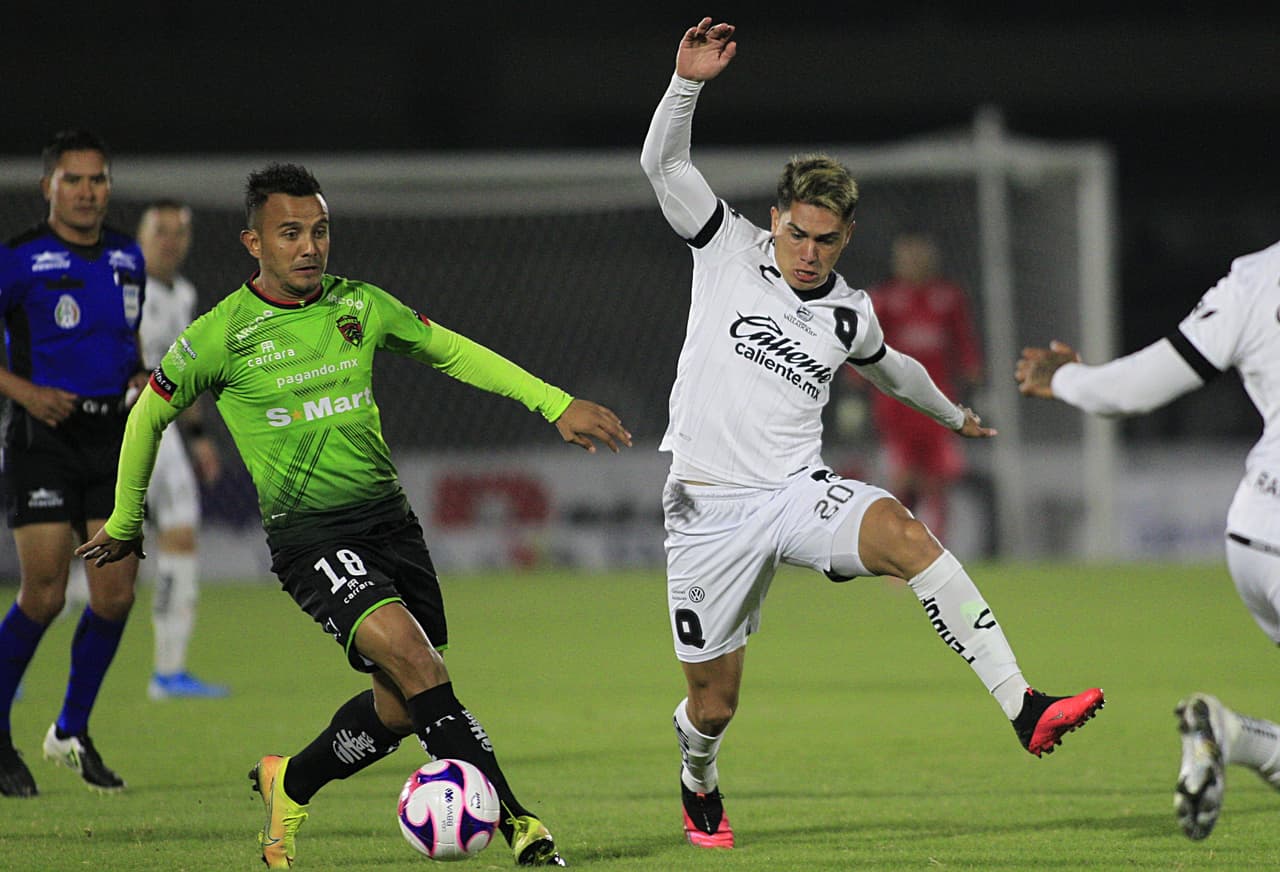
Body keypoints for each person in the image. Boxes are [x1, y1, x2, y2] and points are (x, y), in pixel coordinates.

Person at [77, 162, 631, 867]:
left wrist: (554, 403)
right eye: (290, 233)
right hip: (311, 537)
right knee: (419, 663)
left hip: (390, 526)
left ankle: (292, 780)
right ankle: (520, 823)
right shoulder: (223, 334)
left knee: (401, 706)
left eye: (319, 231)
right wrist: (127, 520)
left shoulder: (359, 306)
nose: (309, 246)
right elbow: (148, 411)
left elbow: (451, 351)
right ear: (254, 243)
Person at [639, 18, 1105, 849]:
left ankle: (1024, 707)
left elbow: (890, 367)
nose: (808, 253)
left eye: (825, 240)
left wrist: (952, 412)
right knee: (714, 704)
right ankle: (697, 771)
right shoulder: (725, 245)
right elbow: (663, 165)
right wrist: (688, 84)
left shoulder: (850, 308)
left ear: (845, 237)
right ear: (775, 217)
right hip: (706, 509)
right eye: (796, 233)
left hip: (794, 493)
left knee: (906, 532)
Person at [1015, 239, 1280, 842]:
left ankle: (1230, 734)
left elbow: (1134, 389)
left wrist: (1069, 378)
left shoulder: (1257, 277)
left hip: (1255, 530)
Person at [0, 129, 149, 797]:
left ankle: (70, 729)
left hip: (111, 438)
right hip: (42, 440)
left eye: (98, 180)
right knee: (47, 592)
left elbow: (125, 337)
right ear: (48, 187)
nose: (87, 192)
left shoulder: (127, 255)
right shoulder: (18, 259)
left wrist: (142, 376)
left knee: (115, 595)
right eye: (74, 180)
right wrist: (25, 391)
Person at [133, 199, 229, 700]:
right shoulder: (124, 287)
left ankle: (169, 672)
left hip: (162, 425)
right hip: (124, 418)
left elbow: (182, 374)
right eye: (160, 231)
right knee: (64, 562)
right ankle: (167, 674)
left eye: (179, 232)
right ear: (141, 236)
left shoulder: (183, 294)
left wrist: (199, 438)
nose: (170, 241)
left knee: (179, 529)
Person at [848, 231, 984, 541]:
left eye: (919, 257)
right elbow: (862, 345)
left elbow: (965, 345)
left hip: (938, 404)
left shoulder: (949, 298)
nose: (913, 263)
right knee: (904, 479)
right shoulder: (883, 299)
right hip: (896, 407)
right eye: (907, 257)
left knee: (938, 480)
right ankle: (898, 549)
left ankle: (936, 550)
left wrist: (975, 380)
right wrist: (855, 388)